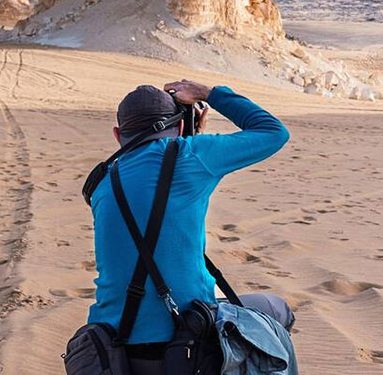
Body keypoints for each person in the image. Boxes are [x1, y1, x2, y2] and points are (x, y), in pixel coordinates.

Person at [88, 80, 294, 373]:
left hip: (115, 347)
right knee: (277, 312)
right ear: (182, 129)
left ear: (118, 135)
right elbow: (274, 132)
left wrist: (190, 137)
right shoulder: (192, 155)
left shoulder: (102, 181)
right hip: (188, 343)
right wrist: (210, 94)